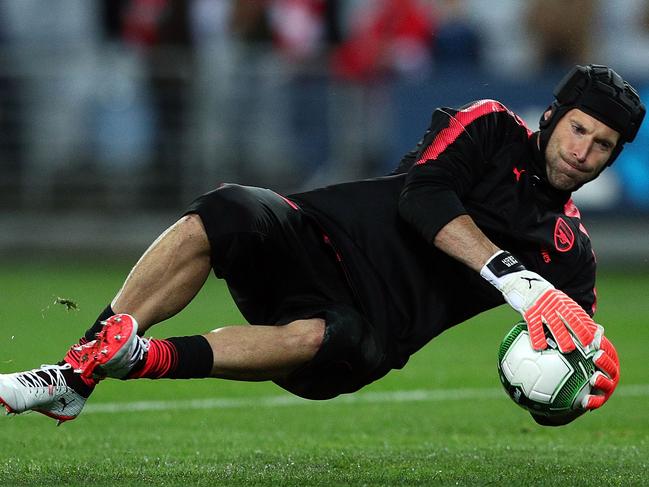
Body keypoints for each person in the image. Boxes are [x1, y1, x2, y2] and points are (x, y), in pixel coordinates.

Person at [1, 64, 644, 427]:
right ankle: (75, 374)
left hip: (369, 329)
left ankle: (137, 358)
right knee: (226, 208)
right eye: (578, 129)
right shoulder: (492, 126)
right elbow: (422, 197)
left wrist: (581, 386)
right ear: (554, 117)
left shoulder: (570, 254)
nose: (580, 151)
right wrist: (516, 279)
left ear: (613, 158)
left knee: (321, 334)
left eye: (602, 146)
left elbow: (568, 368)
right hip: (318, 235)